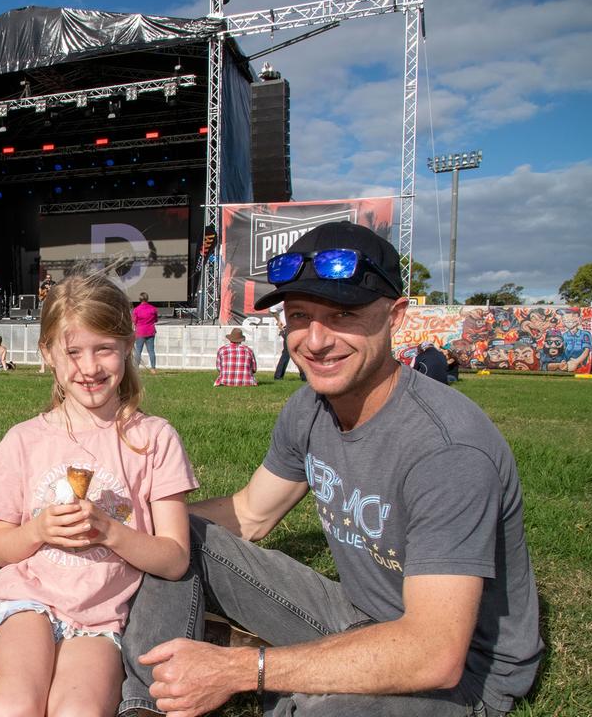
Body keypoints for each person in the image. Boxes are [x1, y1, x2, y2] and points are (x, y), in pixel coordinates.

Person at [122, 221, 542, 717]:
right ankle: (147, 704)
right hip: (358, 617)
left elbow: (434, 653)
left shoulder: (447, 450)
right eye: (300, 315)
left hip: (458, 671)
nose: (316, 340)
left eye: (343, 314)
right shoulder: (310, 407)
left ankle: (267, 676)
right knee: (177, 535)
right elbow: (251, 513)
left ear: (396, 317)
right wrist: (127, 530)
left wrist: (242, 671)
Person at [0, 273, 197, 716]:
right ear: (48, 355)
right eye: (73, 351)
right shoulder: (23, 440)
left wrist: (111, 531)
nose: (89, 367)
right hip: (29, 599)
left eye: (104, 349)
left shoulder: (154, 438)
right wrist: (38, 529)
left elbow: (174, 559)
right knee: (14, 708)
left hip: (101, 619)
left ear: (128, 346)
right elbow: (0, 549)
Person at [268, 301, 305, 381]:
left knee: (289, 352)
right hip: (289, 328)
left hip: (295, 328)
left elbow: (272, 309)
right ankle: (304, 376)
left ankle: (279, 376)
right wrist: (278, 321)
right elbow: (272, 309)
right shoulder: (286, 300)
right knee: (292, 352)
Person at [132, 292, 158, 374]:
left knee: (138, 351)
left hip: (140, 332)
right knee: (151, 351)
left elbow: (134, 321)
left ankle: (136, 368)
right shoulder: (153, 309)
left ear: (139, 299)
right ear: (147, 298)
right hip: (150, 331)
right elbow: (156, 320)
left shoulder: (136, 310)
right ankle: (153, 368)